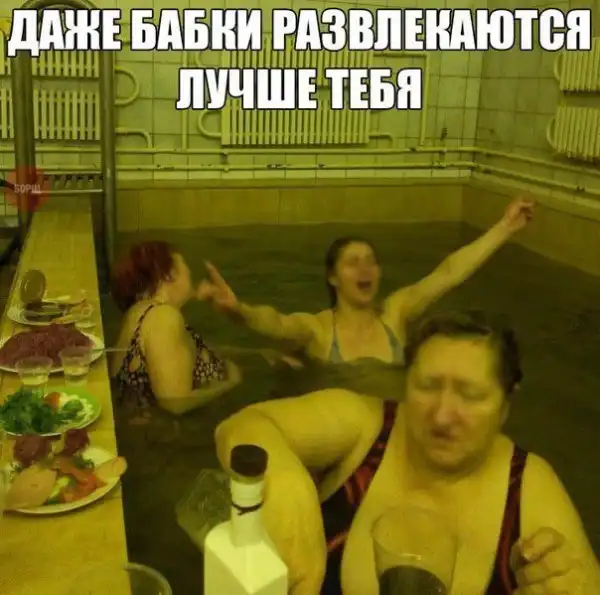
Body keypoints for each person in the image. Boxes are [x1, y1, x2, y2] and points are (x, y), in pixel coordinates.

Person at [215, 310, 600, 595]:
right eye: (427, 386)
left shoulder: (529, 485)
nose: (442, 414)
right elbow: (242, 426)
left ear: (505, 404)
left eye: (470, 395)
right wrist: (285, 480)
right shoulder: (365, 426)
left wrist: (569, 585)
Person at [199, 198, 535, 367]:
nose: (365, 269)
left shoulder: (396, 313)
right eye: (353, 262)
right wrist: (238, 310)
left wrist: (504, 227)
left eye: (371, 261)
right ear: (332, 277)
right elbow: (276, 323)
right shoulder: (318, 330)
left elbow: (448, 272)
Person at [110, 240, 241, 416]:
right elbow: (175, 403)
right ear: (169, 275)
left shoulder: (140, 313)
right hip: (171, 429)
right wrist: (230, 384)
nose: (190, 272)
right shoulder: (163, 317)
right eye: (184, 264)